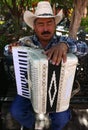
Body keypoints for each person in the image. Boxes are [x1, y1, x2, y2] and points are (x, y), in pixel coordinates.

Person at [4, 1, 88, 130]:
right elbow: (6, 50)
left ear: (55, 25)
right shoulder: (26, 42)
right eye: (41, 24)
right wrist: (11, 49)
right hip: (30, 90)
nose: (45, 28)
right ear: (34, 26)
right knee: (17, 111)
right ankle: (30, 125)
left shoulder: (63, 41)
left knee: (62, 119)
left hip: (57, 93)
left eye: (49, 23)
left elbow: (84, 48)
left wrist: (65, 46)